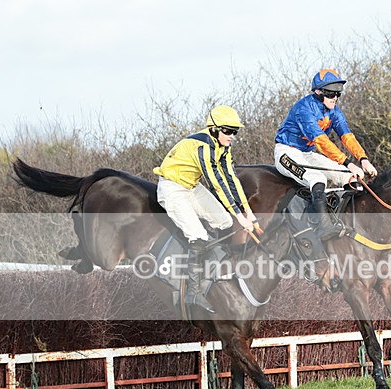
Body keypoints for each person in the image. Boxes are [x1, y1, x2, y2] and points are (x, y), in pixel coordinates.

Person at [154, 105, 256, 313]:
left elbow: (231, 179)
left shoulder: (222, 146)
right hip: (172, 188)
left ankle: (212, 264)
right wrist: (239, 215)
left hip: (191, 186)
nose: (231, 136)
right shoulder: (203, 148)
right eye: (227, 131)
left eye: (234, 131)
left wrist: (247, 211)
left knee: (225, 222)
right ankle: (193, 292)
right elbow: (217, 183)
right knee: (198, 236)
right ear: (213, 129)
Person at [274, 69, 378, 239]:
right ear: (318, 92)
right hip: (286, 152)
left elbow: (347, 137)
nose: (335, 97)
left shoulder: (334, 111)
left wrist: (363, 159)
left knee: (349, 177)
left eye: (338, 93)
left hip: (307, 153)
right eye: (330, 93)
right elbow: (321, 142)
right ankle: (323, 226)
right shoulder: (304, 108)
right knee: (317, 178)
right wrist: (349, 163)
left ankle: (350, 220)